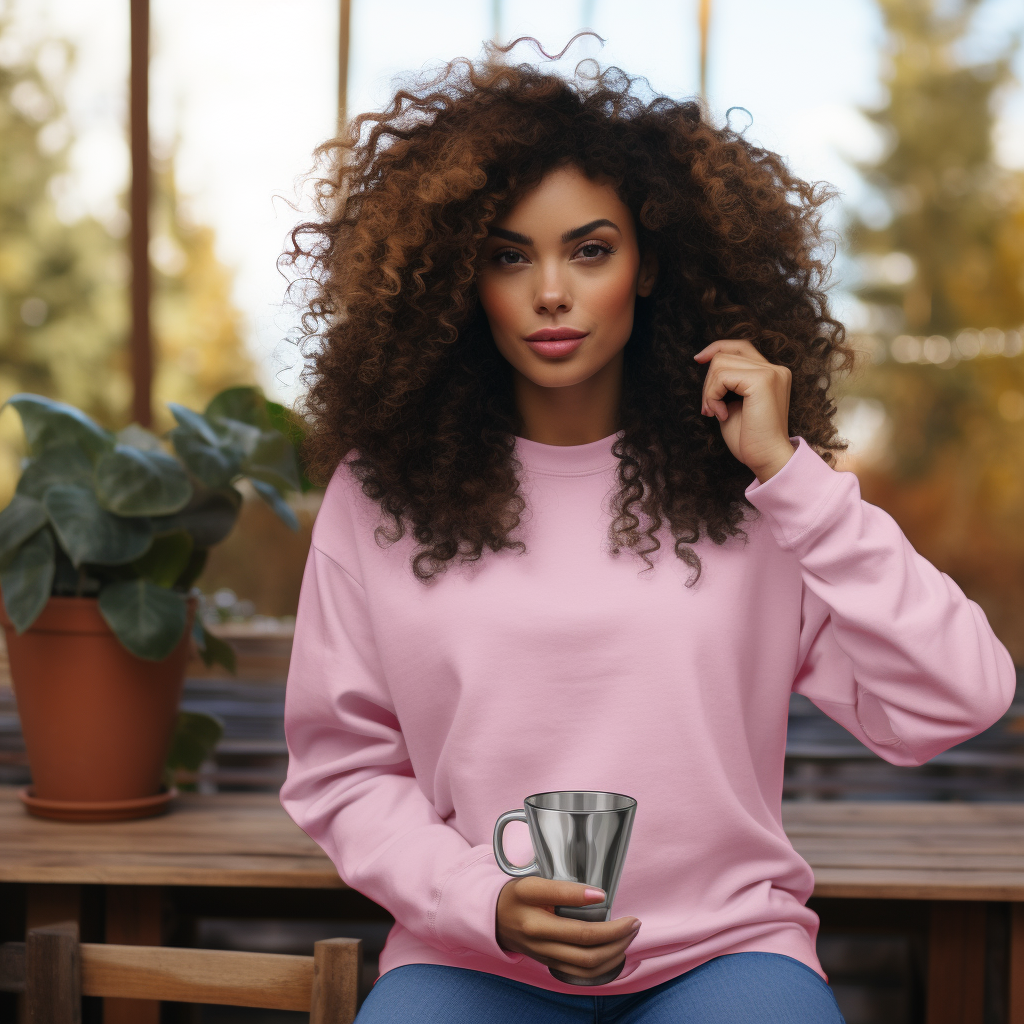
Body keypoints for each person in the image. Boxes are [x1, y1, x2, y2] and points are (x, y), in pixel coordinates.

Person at [278, 47, 1016, 1024]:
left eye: (589, 249)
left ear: (649, 263)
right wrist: (481, 901)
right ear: (464, 277)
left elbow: (959, 696)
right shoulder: (377, 496)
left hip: (725, 955)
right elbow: (342, 771)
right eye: (509, 254)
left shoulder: (752, 494)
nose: (550, 290)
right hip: (469, 956)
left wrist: (794, 477)